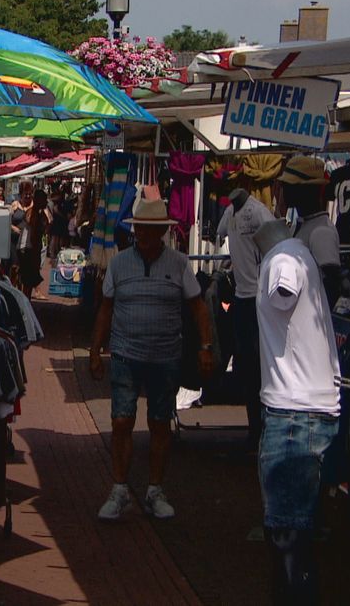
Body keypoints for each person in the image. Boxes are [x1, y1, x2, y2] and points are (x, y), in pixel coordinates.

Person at [90, 198, 214, 521]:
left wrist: (205, 345)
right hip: (125, 354)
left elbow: (198, 306)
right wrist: (95, 350)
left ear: (161, 231)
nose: (142, 234)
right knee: (121, 421)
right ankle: (119, 489)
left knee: (160, 424)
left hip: (165, 356)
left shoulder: (178, 263)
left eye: (149, 229)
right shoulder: (118, 265)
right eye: (139, 228)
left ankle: (155, 489)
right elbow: (106, 307)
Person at [252, 218, 340, 604]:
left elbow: (283, 290)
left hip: (294, 414)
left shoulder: (284, 259)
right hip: (301, 409)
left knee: (288, 534)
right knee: (296, 533)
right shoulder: (296, 255)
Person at [215, 188, 275, 444]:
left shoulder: (260, 214)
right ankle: (254, 429)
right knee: (246, 366)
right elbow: (219, 234)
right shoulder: (229, 212)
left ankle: (263, 429)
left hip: (260, 298)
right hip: (241, 298)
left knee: (261, 367)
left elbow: (275, 245)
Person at [279, 155, 342, 309]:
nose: (284, 191)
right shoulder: (302, 224)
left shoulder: (321, 232)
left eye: (290, 186)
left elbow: (331, 286)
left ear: (306, 190)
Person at [18, 189, 51, 299]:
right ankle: (24, 303)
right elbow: (36, 232)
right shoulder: (33, 213)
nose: (46, 202)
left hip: (31, 250)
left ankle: (26, 302)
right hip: (28, 250)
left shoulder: (39, 213)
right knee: (27, 282)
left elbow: (47, 225)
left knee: (28, 281)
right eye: (44, 200)